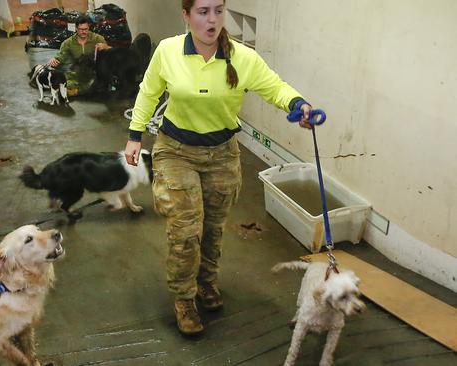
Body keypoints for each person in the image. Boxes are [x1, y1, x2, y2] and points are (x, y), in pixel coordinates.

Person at [123, 0, 314, 335]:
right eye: (202, 11)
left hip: (222, 153)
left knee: (212, 229)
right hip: (176, 151)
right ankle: (184, 298)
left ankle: (206, 283)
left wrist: (298, 105)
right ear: (186, 15)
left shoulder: (242, 58)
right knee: (185, 230)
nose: (212, 19)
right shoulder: (168, 51)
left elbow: (275, 87)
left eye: (218, 10)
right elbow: (148, 93)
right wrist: (135, 135)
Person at [48, 15, 111, 96]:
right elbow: (60, 56)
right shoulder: (68, 43)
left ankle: (77, 91)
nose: (84, 32)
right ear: (76, 29)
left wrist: (107, 47)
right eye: (81, 29)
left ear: (89, 28)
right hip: (79, 72)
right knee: (61, 82)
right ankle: (79, 89)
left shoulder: (98, 39)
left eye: (86, 29)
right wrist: (54, 60)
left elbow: (111, 54)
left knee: (99, 83)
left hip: (95, 71)